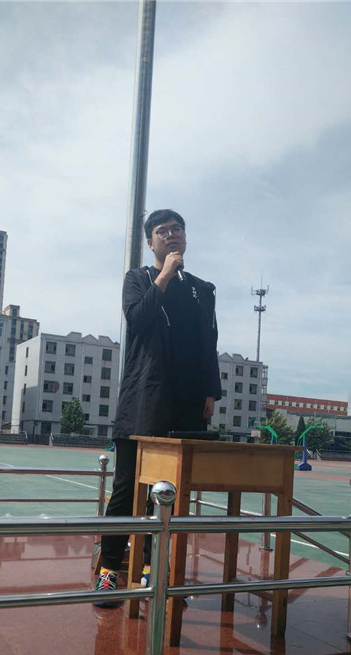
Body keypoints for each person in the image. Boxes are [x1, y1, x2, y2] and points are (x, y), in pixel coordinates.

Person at [94, 209, 221, 606]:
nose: (171, 235)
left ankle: (154, 568)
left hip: (187, 402)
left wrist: (210, 393)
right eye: (162, 231)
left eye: (177, 229)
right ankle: (109, 571)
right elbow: (138, 319)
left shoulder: (202, 289)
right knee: (127, 487)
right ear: (150, 242)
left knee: (168, 491)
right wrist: (163, 275)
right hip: (145, 399)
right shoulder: (138, 279)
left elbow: (209, 343)